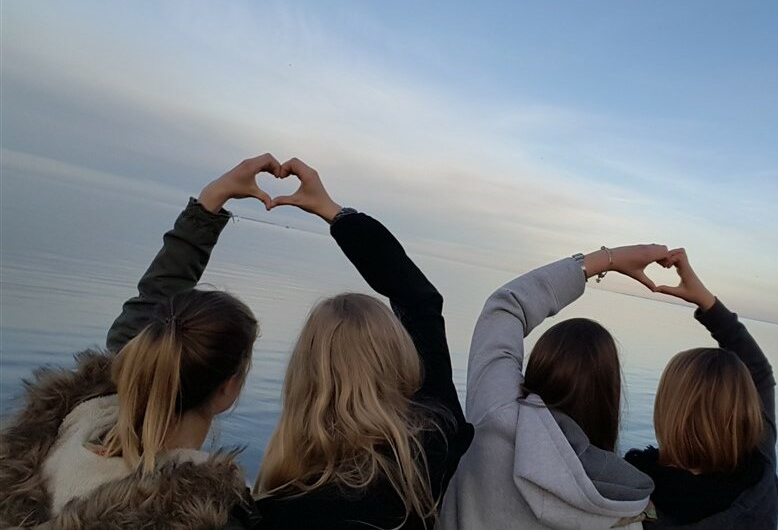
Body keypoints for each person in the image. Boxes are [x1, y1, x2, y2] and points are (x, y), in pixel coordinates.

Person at [0, 154, 283, 529]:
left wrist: (211, 201)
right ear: (228, 390)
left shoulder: (69, 424)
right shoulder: (216, 517)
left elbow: (151, 307)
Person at [253, 159, 474, 530]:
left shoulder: (271, 514)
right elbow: (420, 301)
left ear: (304, 373)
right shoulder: (430, 450)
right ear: (399, 358)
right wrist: (333, 211)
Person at [439, 245, 666, 530]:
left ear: (540, 366)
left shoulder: (496, 411)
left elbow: (506, 307)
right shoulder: (623, 508)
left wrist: (606, 260)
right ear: (608, 398)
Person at [624, 248, 778, 529]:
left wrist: (600, 261)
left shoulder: (631, 503)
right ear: (746, 410)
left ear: (669, 411)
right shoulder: (760, 478)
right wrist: (705, 299)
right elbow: (759, 372)